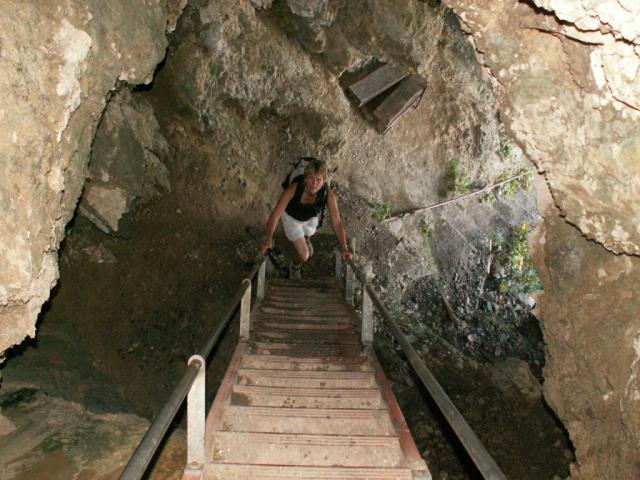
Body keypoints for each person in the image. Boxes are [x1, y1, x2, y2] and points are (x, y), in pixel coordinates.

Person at [259, 158, 352, 278]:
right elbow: (275, 215)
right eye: (311, 178)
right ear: (305, 178)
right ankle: (295, 265)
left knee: (310, 232)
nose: (314, 184)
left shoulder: (327, 194)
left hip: (310, 217)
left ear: (323, 181)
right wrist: (268, 240)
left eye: (318, 180)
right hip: (292, 219)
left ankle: (306, 238)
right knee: (305, 255)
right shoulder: (294, 188)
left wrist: (344, 247)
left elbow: (337, 222)